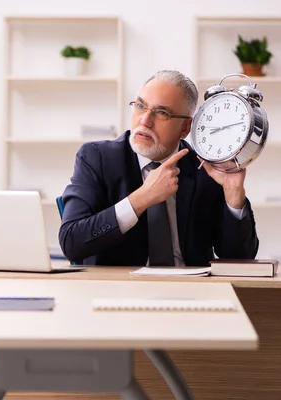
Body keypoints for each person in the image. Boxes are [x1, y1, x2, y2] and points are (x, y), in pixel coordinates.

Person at [58, 70, 259, 266]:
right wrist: (141, 198)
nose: (144, 121)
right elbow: (72, 242)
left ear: (185, 128)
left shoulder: (205, 167)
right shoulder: (96, 158)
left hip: (191, 290)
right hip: (120, 289)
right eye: (140, 106)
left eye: (162, 113)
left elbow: (240, 259)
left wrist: (234, 194)